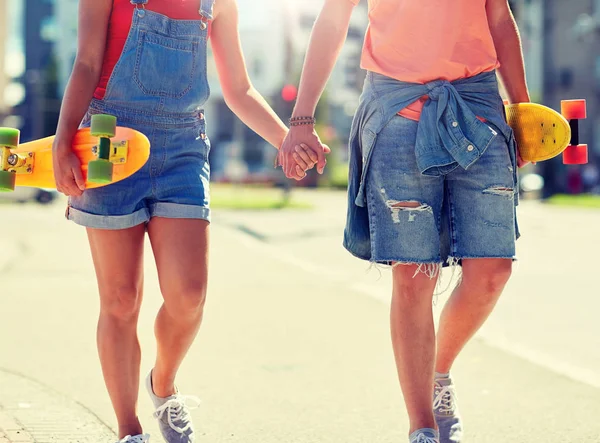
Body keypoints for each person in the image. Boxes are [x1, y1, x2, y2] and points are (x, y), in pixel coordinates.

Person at [52, 0, 321, 442]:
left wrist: (287, 140)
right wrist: (64, 140)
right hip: (108, 141)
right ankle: (129, 429)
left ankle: (163, 383)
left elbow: (238, 88)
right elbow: (86, 61)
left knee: (189, 296)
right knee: (120, 298)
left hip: (182, 148)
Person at [279, 1, 530, 442]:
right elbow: (333, 19)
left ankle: (438, 372)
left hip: (480, 104)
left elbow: (498, 18)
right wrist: (302, 118)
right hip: (396, 109)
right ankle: (423, 428)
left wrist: (523, 107)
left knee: (492, 271)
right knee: (414, 276)